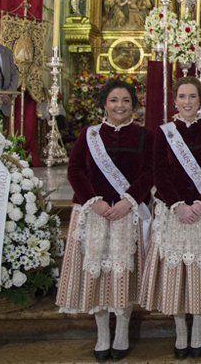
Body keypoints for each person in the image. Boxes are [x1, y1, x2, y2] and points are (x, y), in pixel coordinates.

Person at [56, 80, 152, 362]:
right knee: (96, 275)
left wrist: (129, 200)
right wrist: (93, 201)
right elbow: (75, 171)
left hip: (127, 214)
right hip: (94, 215)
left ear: (133, 104)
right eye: (113, 100)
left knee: (122, 275)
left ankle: (121, 330)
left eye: (125, 100)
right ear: (104, 104)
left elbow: (150, 172)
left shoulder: (144, 136)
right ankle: (102, 333)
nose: (119, 105)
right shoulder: (90, 135)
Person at [140, 77, 201, 359]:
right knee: (177, 275)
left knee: (200, 274)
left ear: (200, 100)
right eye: (182, 96)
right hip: (174, 213)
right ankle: (180, 332)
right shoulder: (163, 133)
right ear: (174, 100)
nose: (187, 101)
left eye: (192, 96)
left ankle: (198, 330)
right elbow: (159, 172)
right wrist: (178, 205)